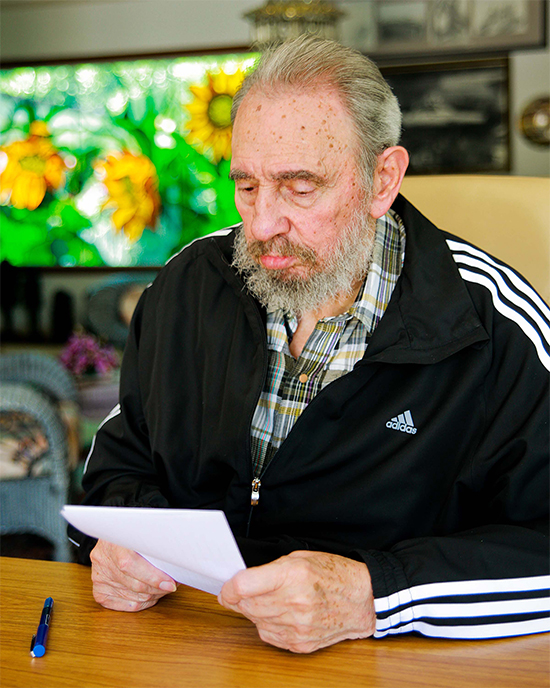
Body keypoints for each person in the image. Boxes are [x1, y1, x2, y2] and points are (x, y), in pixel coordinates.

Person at [70, 37, 550, 654]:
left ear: (382, 180)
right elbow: (117, 465)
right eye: (247, 186)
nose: (262, 224)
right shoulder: (188, 284)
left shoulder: (491, 324)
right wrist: (118, 544)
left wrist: (375, 596)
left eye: (299, 188)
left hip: (387, 664)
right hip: (195, 650)